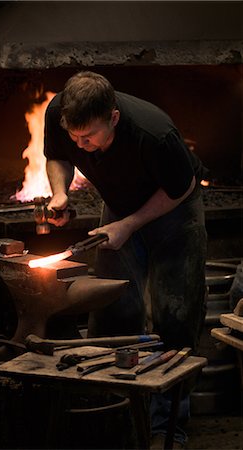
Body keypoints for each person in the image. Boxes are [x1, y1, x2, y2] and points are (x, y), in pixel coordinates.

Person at [43, 71, 208, 449]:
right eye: (75, 136)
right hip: (119, 207)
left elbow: (179, 189)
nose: (81, 146)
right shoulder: (60, 112)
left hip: (174, 212)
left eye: (89, 137)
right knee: (112, 311)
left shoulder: (155, 134)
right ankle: (113, 417)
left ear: (114, 117)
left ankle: (168, 427)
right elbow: (57, 155)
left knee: (175, 317)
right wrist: (59, 194)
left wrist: (129, 225)